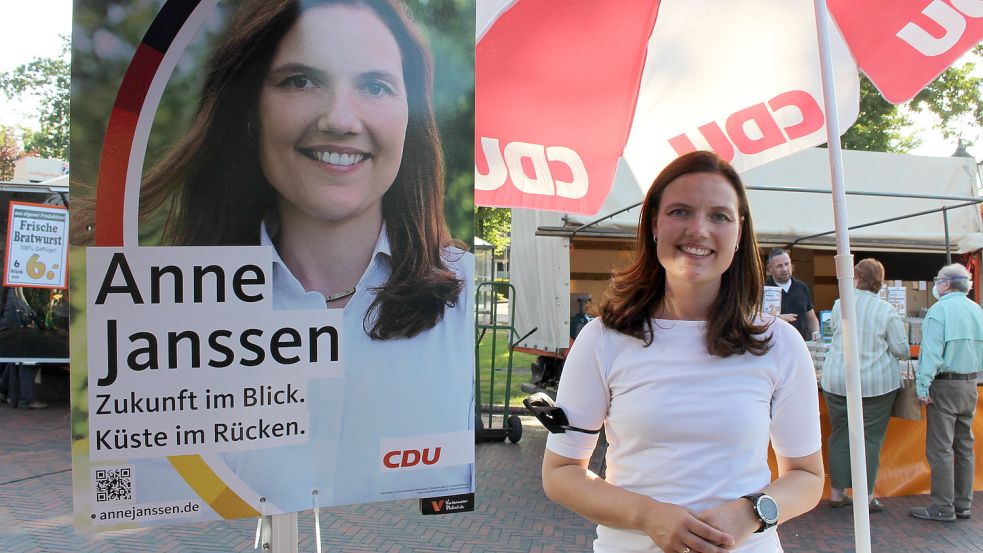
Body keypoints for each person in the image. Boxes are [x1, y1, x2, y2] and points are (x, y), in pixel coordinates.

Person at [90, 0, 474, 513]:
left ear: (411, 117)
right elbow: (147, 496)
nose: (340, 119)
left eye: (375, 85)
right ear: (250, 110)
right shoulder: (164, 317)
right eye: (300, 81)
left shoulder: (465, 296)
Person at [542, 151, 824, 553]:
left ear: (740, 232)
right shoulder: (603, 339)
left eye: (720, 216)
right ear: (655, 223)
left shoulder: (779, 343)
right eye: (680, 211)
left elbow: (808, 477)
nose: (699, 229)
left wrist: (752, 511)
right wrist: (648, 515)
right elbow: (561, 472)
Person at [820, 258, 908, 512]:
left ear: (856, 278)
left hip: (836, 379)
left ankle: (837, 493)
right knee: (869, 439)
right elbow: (901, 349)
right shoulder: (886, 311)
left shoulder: (840, 305)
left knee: (840, 435)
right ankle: (866, 497)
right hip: (875, 384)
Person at [909, 263, 983, 522]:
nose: (936, 285)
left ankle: (943, 506)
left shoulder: (938, 311)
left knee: (941, 448)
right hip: (970, 383)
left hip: (944, 384)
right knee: (965, 447)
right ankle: (963, 504)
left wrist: (922, 386)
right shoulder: (977, 310)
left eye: (938, 280)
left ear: (947, 284)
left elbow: (930, 354)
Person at [765, 248, 820, 342]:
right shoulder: (763, 290)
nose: (784, 269)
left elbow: (810, 317)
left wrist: (815, 333)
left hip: (800, 345)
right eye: (779, 266)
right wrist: (777, 319)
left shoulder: (802, 287)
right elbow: (756, 320)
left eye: (787, 264)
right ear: (770, 268)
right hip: (774, 346)